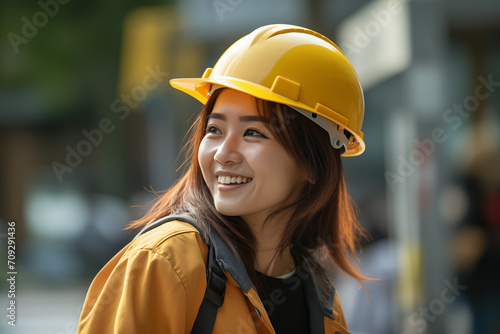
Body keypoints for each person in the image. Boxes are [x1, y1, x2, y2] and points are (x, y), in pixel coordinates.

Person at [77, 24, 368, 334]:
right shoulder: (165, 263)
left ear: (313, 164)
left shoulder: (321, 300)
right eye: (214, 129)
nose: (222, 153)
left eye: (253, 133)